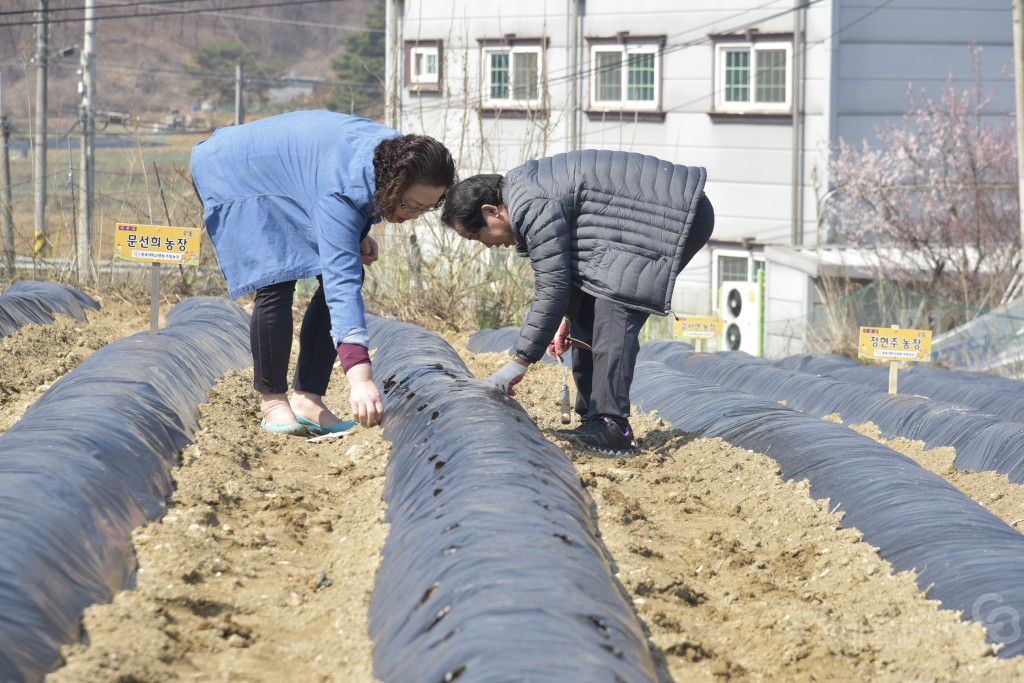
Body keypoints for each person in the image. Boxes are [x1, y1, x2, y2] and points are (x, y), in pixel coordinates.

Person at [191, 110, 457, 436]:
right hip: (238, 171)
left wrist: (358, 232)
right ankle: (273, 402)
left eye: (425, 208)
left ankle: (307, 400)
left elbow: (337, 193)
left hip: (296, 174)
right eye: (408, 204)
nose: (413, 216)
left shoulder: (401, 158)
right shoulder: (344, 191)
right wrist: (360, 379)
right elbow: (339, 282)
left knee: (346, 270)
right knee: (277, 279)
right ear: (394, 183)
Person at [440, 150, 714, 456]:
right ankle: (594, 418)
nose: (488, 245)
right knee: (588, 311)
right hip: (636, 224)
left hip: (674, 214)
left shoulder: (531, 203)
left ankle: (613, 426)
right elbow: (570, 270)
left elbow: (553, 286)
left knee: (614, 307)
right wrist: (567, 318)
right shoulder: (525, 193)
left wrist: (518, 363)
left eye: (479, 235)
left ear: (492, 211)